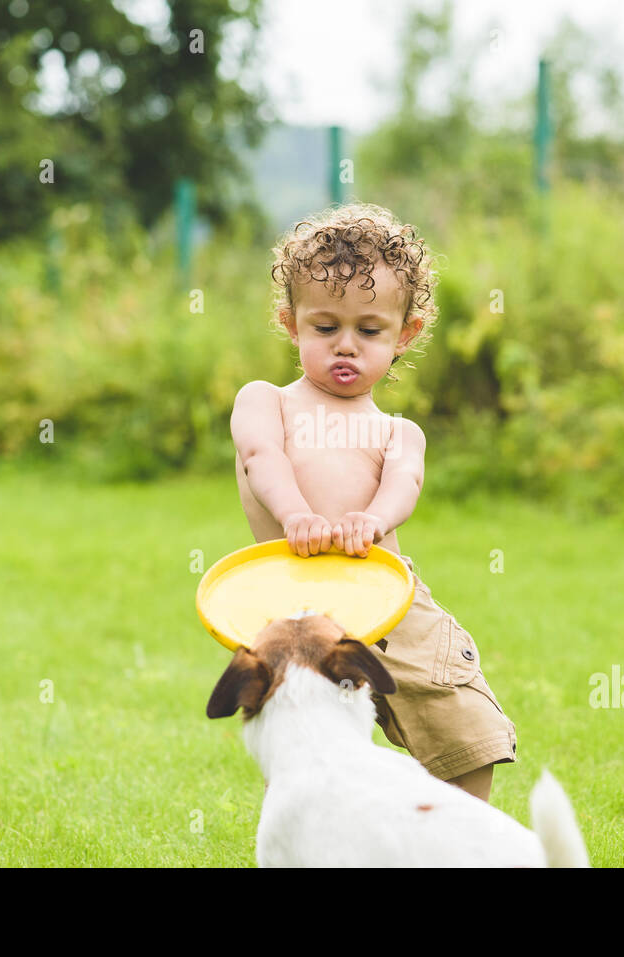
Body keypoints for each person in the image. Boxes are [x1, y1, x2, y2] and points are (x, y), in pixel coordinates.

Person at [228, 202, 517, 802]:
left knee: (463, 727)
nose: (346, 347)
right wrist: (296, 516)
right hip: (296, 613)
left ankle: (459, 840)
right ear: (290, 323)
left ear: (404, 334)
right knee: (310, 756)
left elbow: (403, 486)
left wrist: (373, 520)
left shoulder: (398, 433)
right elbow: (263, 459)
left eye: (369, 330)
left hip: (388, 600)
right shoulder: (265, 402)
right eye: (325, 327)